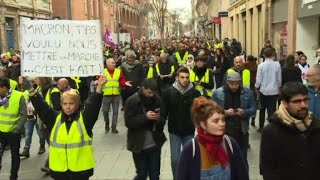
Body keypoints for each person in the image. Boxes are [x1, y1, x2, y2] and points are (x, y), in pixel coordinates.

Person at [28, 75, 107, 180]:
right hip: (59, 171)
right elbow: (42, 107)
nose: (68, 106)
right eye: (65, 103)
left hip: (80, 171)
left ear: (77, 105)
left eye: (71, 103)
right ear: (61, 105)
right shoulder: (55, 119)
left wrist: (99, 88)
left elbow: (93, 105)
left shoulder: (84, 120)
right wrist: (31, 90)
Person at [177, 97, 249, 180]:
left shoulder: (230, 143)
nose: (221, 124)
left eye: (223, 120)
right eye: (216, 121)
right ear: (203, 125)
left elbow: (242, 174)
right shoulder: (191, 149)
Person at [260, 82, 320, 180]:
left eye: (305, 100)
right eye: (297, 101)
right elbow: (268, 169)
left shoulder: (316, 126)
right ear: (284, 103)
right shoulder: (271, 131)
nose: (303, 105)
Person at [161, 67, 201, 180]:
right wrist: (158, 127)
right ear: (177, 78)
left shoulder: (195, 93)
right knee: (175, 159)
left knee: (190, 158)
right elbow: (164, 112)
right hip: (174, 131)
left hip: (189, 130)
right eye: (182, 77)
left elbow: (199, 112)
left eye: (187, 78)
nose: (185, 80)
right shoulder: (168, 93)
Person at [124, 78, 166, 180]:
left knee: (155, 175)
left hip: (155, 144)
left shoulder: (157, 99)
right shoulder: (132, 101)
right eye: (149, 92)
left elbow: (163, 120)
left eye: (154, 93)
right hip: (139, 145)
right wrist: (145, 117)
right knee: (142, 174)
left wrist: (158, 118)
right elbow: (128, 122)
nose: (152, 95)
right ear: (143, 88)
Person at [212, 72, 256, 160]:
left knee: (242, 158)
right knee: (226, 158)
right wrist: (225, 112)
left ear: (240, 83)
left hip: (241, 131)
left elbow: (253, 109)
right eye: (231, 84)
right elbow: (212, 111)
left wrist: (244, 112)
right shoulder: (218, 93)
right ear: (227, 82)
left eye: (236, 84)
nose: (234, 86)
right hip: (224, 131)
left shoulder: (248, 93)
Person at [0, 78, 27, 180]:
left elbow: (24, 114)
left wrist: (17, 130)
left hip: (13, 132)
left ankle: (13, 176)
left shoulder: (18, 96)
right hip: (0, 132)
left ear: (4, 88)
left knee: (15, 156)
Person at [255, 48, 282, 132]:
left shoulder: (261, 66)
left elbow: (258, 79)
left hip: (263, 91)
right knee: (272, 110)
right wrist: (279, 87)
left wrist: (256, 87)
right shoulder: (277, 65)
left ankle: (261, 126)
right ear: (273, 55)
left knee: (262, 109)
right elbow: (279, 79)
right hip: (273, 91)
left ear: (264, 55)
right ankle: (271, 127)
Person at [19, 76, 46, 158]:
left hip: (38, 115)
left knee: (40, 132)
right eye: (30, 82)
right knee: (28, 132)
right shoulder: (24, 91)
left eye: (33, 81)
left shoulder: (39, 90)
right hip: (29, 115)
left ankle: (42, 145)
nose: (32, 83)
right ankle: (26, 149)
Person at [103, 58, 131, 133]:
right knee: (105, 111)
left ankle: (114, 127)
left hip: (116, 94)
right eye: (112, 63)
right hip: (106, 95)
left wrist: (124, 83)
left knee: (115, 112)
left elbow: (122, 80)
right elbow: (99, 81)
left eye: (114, 63)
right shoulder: (103, 72)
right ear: (107, 64)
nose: (114, 64)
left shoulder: (118, 71)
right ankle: (107, 123)